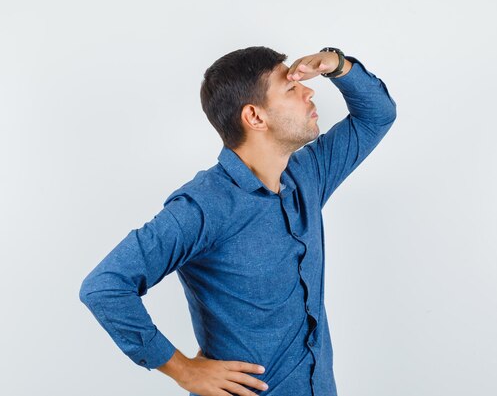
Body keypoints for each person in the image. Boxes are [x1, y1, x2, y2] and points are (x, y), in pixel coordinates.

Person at [79, 46, 397, 396]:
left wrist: (337, 64)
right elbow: (106, 287)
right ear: (255, 117)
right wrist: (183, 369)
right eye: (291, 89)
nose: (309, 91)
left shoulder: (308, 174)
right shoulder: (203, 205)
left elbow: (376, 116)